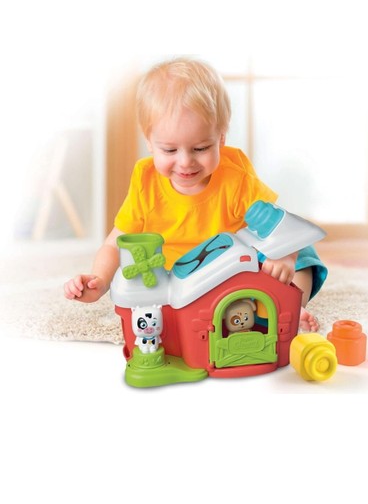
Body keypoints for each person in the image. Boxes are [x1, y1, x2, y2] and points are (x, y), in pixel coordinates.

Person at [64, 57, 327, 331]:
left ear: (221, 138)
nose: (185, 162)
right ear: (149, 141)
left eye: (200, 148)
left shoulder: (235, 176)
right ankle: (251, 307)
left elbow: (280, 225)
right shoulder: (145, 181)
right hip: (174, 280)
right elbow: (115, 243)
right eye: (169, 150)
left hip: (234, 272)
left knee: (303, 256)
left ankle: (288, 306)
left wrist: (284, 256)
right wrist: (99, 280)